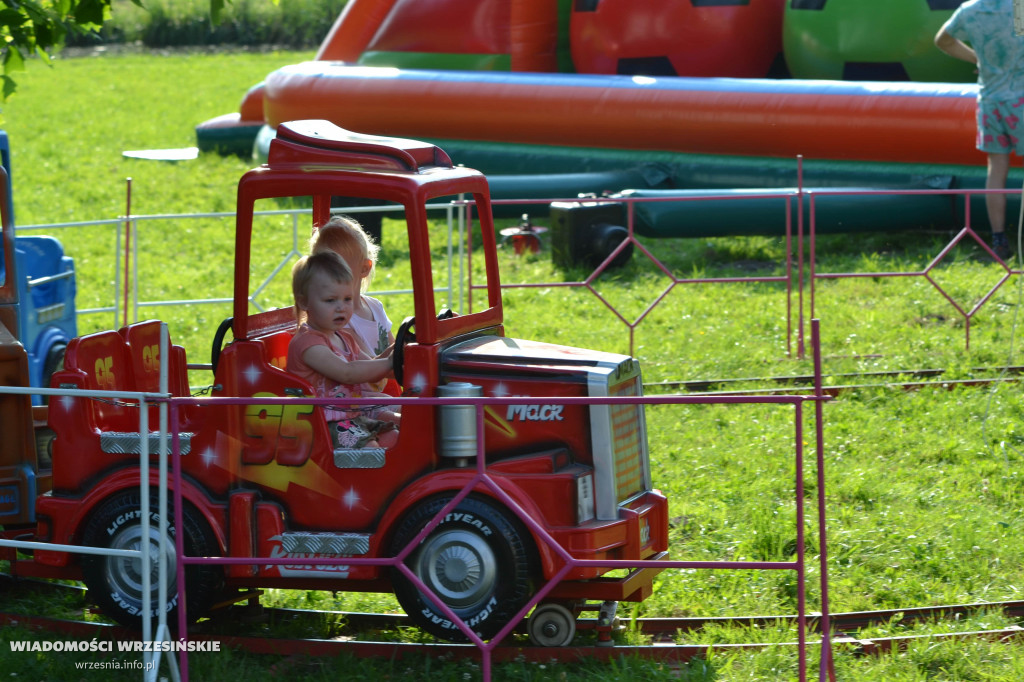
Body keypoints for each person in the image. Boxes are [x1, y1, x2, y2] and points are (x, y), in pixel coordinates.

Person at [935, 0, 1024, 261]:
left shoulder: (970, 10)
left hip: (990, 101)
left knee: (996, 170)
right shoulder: (1019, 8)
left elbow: (943, 41)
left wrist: (978, 57)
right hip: (1020, 100)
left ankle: (999, 241)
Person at [288, 250, 400, 449]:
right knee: (370, 451)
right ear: (304, 302)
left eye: (347, 299)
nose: (341, 308)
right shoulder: (308, 344)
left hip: (351, 415)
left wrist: (398, 351)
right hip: (322, 423)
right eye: (331, 301)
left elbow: (371, 370)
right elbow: (347, 373)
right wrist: (389, 362)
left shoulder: (344, 337)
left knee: (400, 431)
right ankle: (362, 480)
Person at [309, 215, 395, 357]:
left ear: (364, 269)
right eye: (322, 267)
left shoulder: (375, 307)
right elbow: (370, 366)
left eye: (338, 266)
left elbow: (394, 351)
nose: (329, 275)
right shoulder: (336, 316)